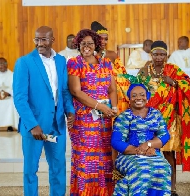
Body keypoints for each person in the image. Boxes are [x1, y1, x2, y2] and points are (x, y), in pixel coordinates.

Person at [13, 26, 75, 196]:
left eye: (43, 39)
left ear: (52, 40)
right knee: (31, 170)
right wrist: (33, 125)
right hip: (34, 126)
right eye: (37, 39)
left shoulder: (61, 61)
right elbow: (19, 98)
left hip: (57, 123)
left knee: (58, 168)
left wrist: (70, 111)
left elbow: (64, 90)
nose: (39, 43)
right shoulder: (24, 62)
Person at [137, 40, 190, 196]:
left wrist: (174, 82)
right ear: (151, 54)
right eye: (156, 54)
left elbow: (189, 86)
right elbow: (136, 92)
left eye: (162, 54)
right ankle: (149, 186)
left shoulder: (173, 70)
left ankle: (172, 188)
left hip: (169, 121)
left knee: (169, 154)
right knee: (147, 153)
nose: (159, 57)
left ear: (167, 55)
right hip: (148, 120)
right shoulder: (144, 71)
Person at [67, 29, 118, 195]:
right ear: (78, 45)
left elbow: (112, 89)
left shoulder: (106, 63)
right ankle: (85, 192)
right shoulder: (75, 63)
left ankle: (103, 192)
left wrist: (114, 108)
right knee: (86, 157)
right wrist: (100, 107)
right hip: (84, 118)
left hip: (104, 118)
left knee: (104, 156)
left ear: (96, 44)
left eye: (90, 43)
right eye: (83, 43)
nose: (86, 46)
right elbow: (76, 91)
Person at [111, 83, 171, 195]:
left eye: (142, 95)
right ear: (129, 99)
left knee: (164, 167)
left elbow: (164, 136)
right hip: (128, 156)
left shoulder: (156, 114)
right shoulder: (124, 117)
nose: (138, 98)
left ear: (147, 97)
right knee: (141, 169)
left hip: (152, 153)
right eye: (134, 95)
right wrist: (140, 151)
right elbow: (116, 142)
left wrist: (148, 144)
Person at [91, 21, 129, 114]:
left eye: (106, 39)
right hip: (94, 94)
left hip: (115, 93)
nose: (103, 42)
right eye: (101, 39)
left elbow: (124, 75)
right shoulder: (88, 56)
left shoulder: (111, 55)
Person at [0, 57, 18, 131]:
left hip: (9, 97)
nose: (3, 65)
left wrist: (8, 93)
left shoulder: (13, 75)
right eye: (0, 64)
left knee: (12, 102)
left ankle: (10, 125)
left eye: (4, 63)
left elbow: (16, 88)